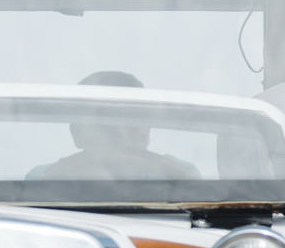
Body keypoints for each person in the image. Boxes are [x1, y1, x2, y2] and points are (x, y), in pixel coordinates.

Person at [28, 70, 203, 182]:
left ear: (148, 129)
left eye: (133, 121)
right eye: (106, 124)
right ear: (77, 133)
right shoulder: (43, 178)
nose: (121, 135)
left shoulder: (181, 175)